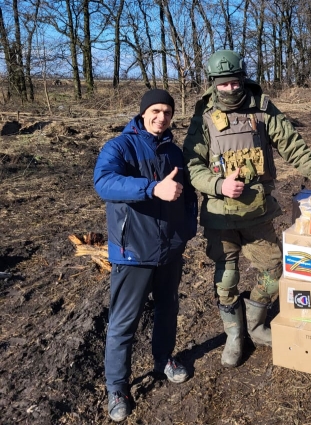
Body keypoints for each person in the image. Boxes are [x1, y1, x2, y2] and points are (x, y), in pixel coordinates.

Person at [182, 50, 311, 368]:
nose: (231, 89)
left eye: (235, 82)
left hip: (257, 212)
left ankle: (255, 323)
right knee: (226, 278)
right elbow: (192, 165)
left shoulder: (261, 108)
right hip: (221, 215)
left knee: (275, 271)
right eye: (224, 84)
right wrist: (218, 186)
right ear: (214, 83)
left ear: (243, 78)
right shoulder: (203, 115)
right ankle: (234, 334)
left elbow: (292, 144)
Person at [93, 89, 198, 422]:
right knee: (124, 323)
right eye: (155, 110)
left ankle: (163, 358)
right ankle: (117, 388)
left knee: (168, 309)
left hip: (169, 250)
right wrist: (152, 188)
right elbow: (104, 183)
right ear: (142, 113)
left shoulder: (174, 151)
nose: (161, 117)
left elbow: (187, 193)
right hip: (133, 252)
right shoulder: (119, 146)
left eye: (167, 112)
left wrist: (186, 231)